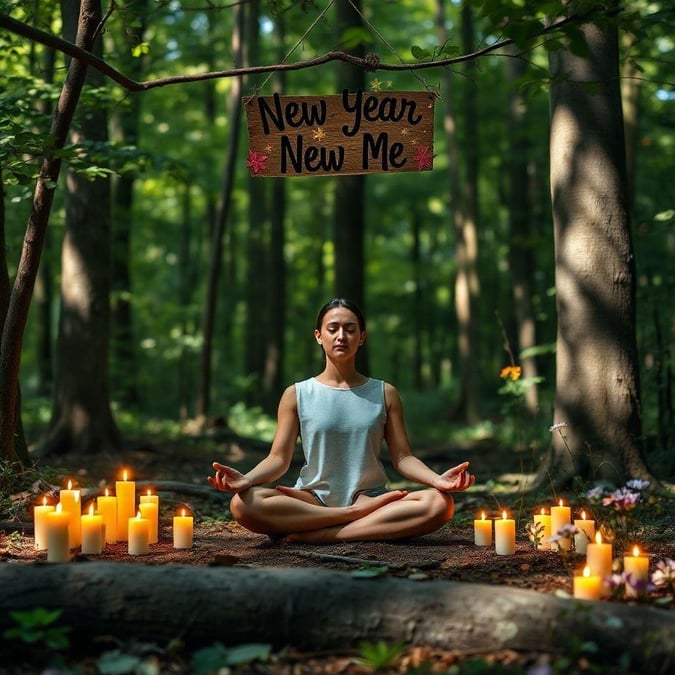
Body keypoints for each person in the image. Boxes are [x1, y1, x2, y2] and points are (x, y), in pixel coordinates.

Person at [207, 298, 475, 543]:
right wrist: (247, 479)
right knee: (242, 504)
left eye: (350, 329)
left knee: (439, 503)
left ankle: (324, 535)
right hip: (312, 500)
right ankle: (350, 517)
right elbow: (278, 459)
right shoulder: (297, 394)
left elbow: (403, 458)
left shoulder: (384, 393)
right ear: (318, 336)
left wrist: (437, 480)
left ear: (362, 337)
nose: (341, 336)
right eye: (332, 328)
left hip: (369, 498)